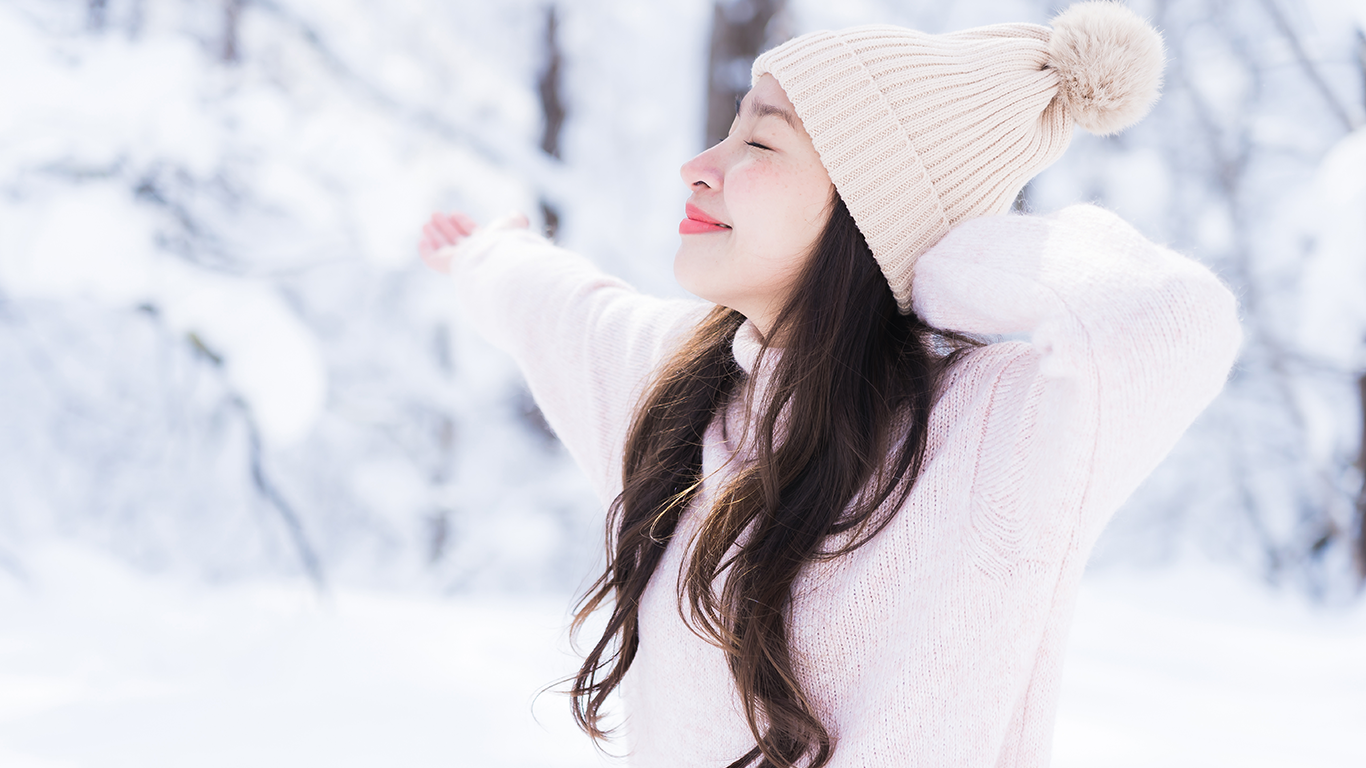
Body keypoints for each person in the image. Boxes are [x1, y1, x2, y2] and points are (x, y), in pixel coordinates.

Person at [418, 3, 1241, 766]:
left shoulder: (996, 432)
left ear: (868, 212)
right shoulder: (677, 391)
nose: (700, 167)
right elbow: (560, 308)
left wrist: (938, 253)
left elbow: (1172, 322)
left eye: (761, 145)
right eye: (730, 131)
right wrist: (484, 256)